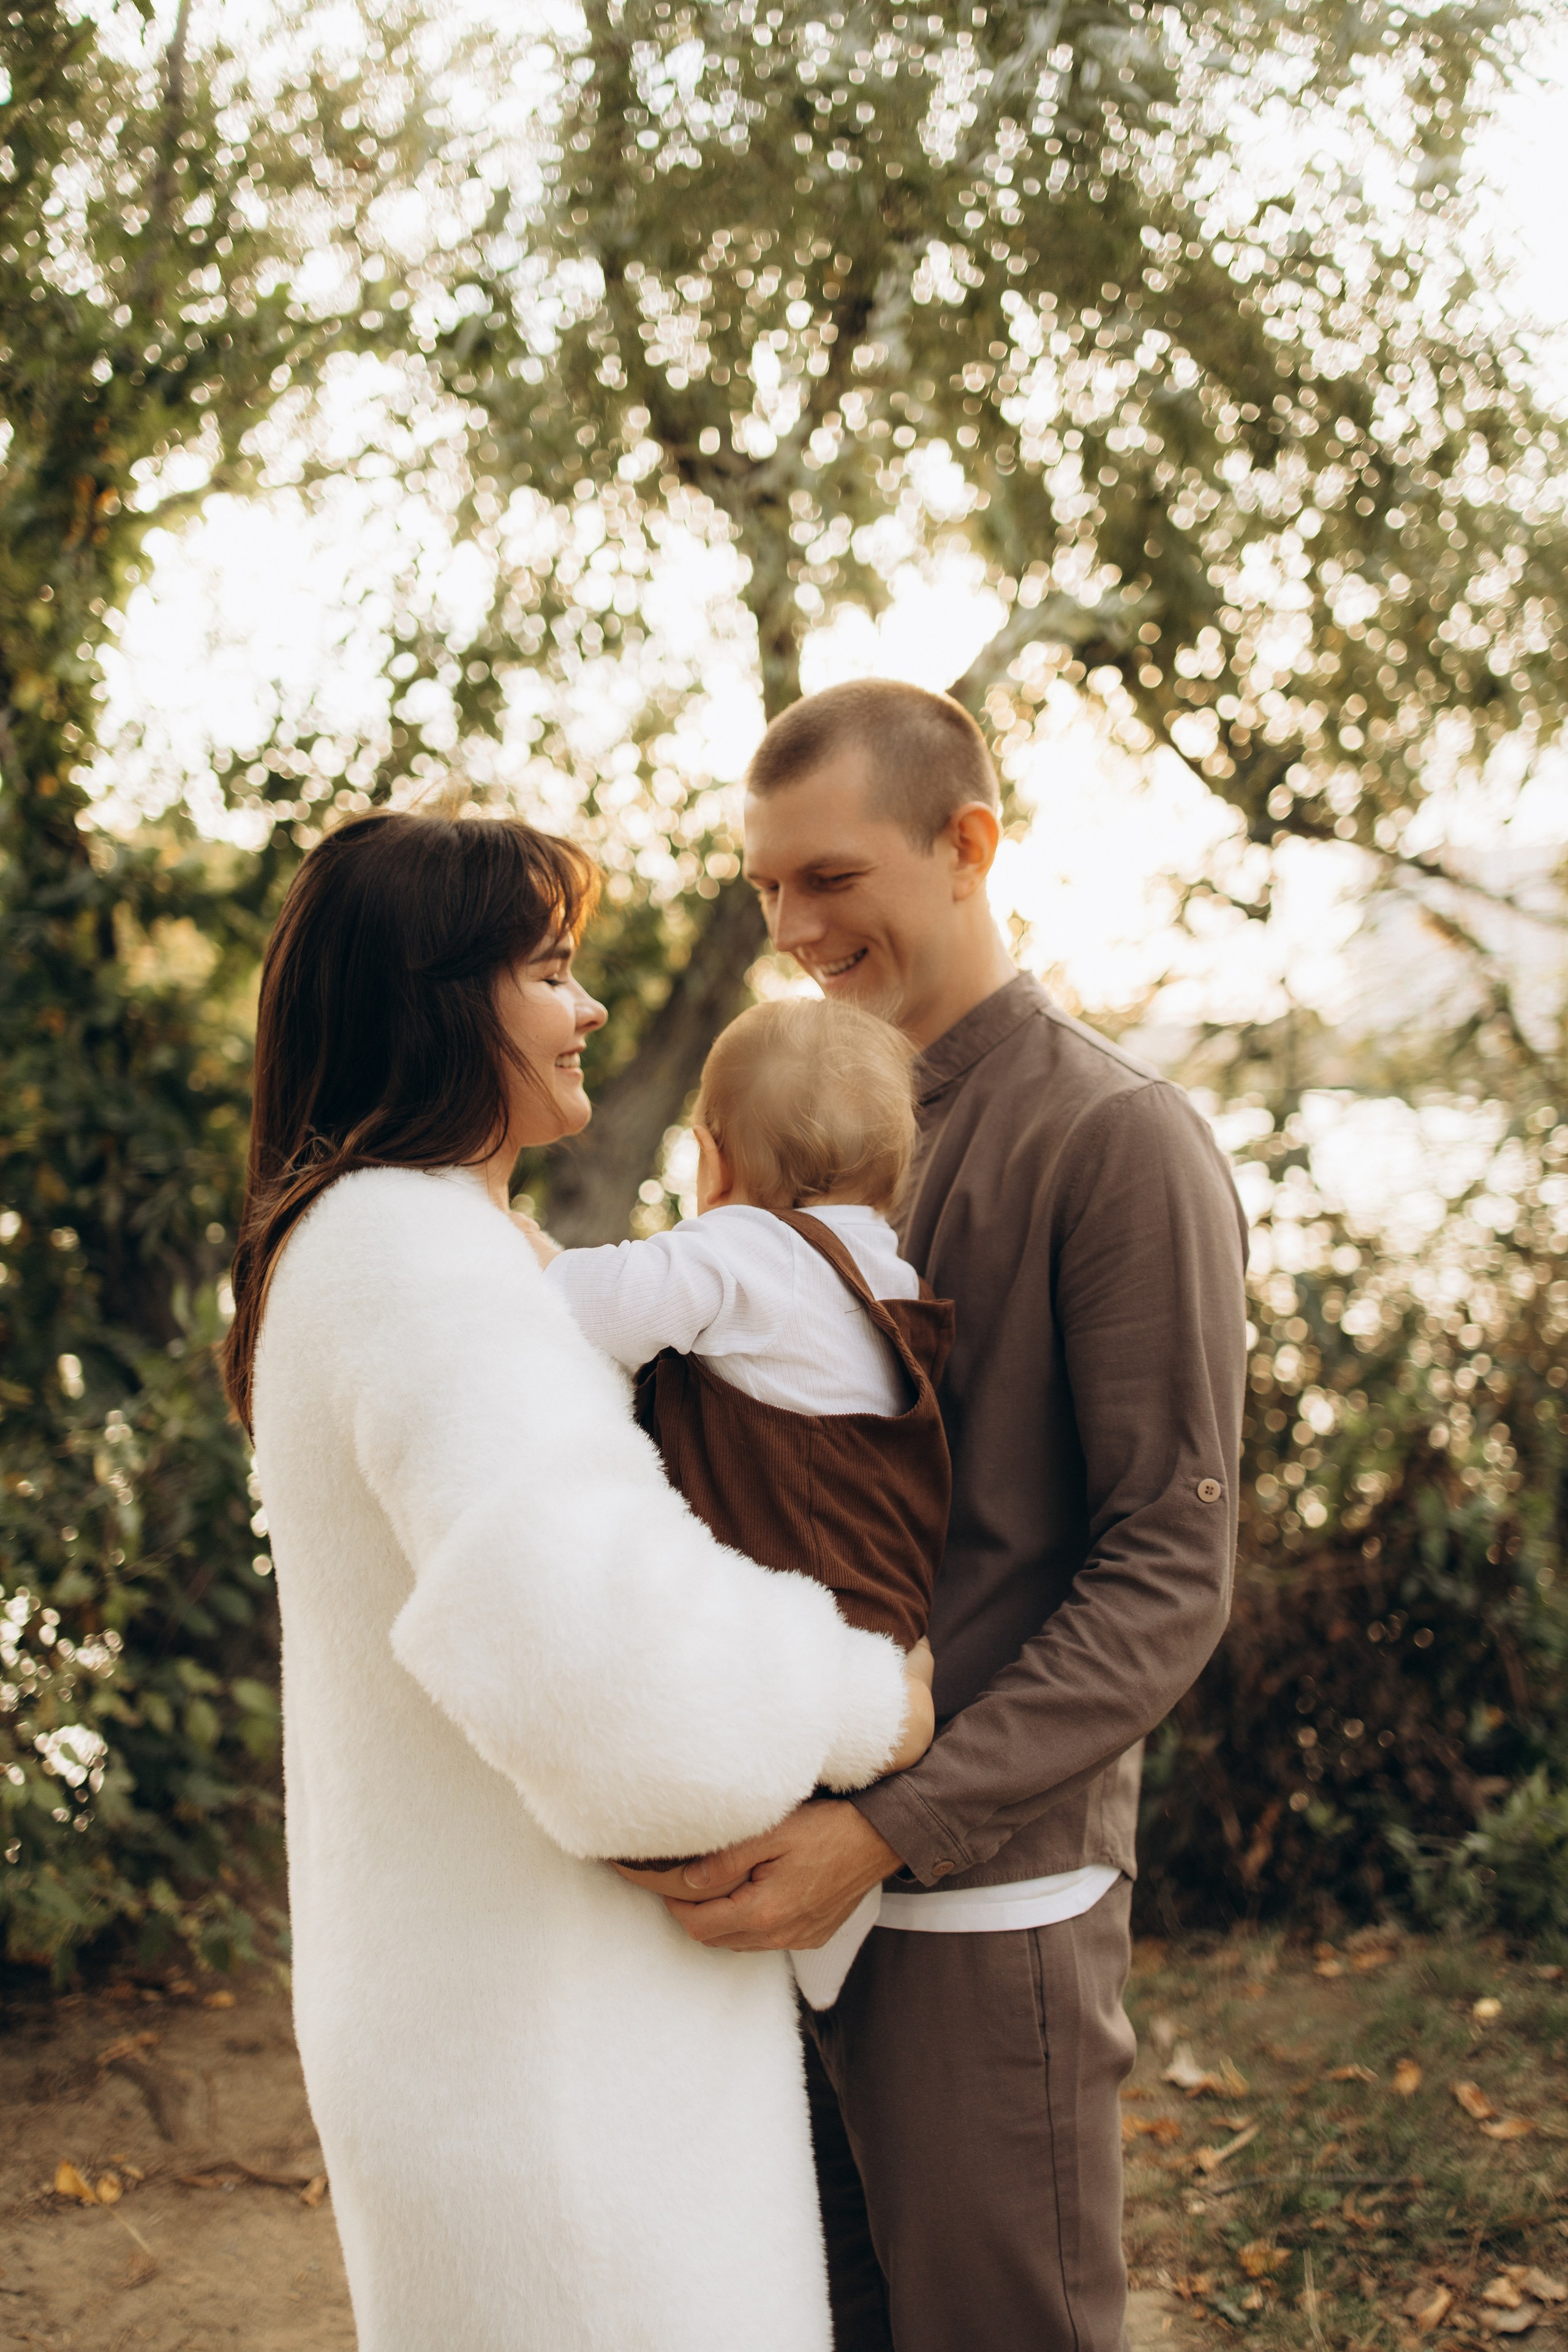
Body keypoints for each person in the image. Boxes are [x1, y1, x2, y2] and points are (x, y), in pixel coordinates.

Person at [225, 809, 934, 2352]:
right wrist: (872, 1698)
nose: (590, 1006)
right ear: (439, 998)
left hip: (489, 2018)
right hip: (550, 2074)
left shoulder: (378, 1243)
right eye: (549, 969)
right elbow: (623, 1692)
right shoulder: (418, 1262)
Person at [639, 680, 1250, 2352]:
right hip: (763, 1908)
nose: (791, 928)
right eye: (766, 888)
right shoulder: (784, 1131)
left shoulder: (1112, 1142)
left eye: (829, 879)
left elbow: (1166, 1576)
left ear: (967, 845)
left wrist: (889, 1830)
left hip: (973, 1923)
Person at [527, 996, 954, 2004]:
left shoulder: (754, 1252)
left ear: (713, 1162)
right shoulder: (884, 1278)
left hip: (793, 1632)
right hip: (878, 1614)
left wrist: (526, 1253)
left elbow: (587, 1310)